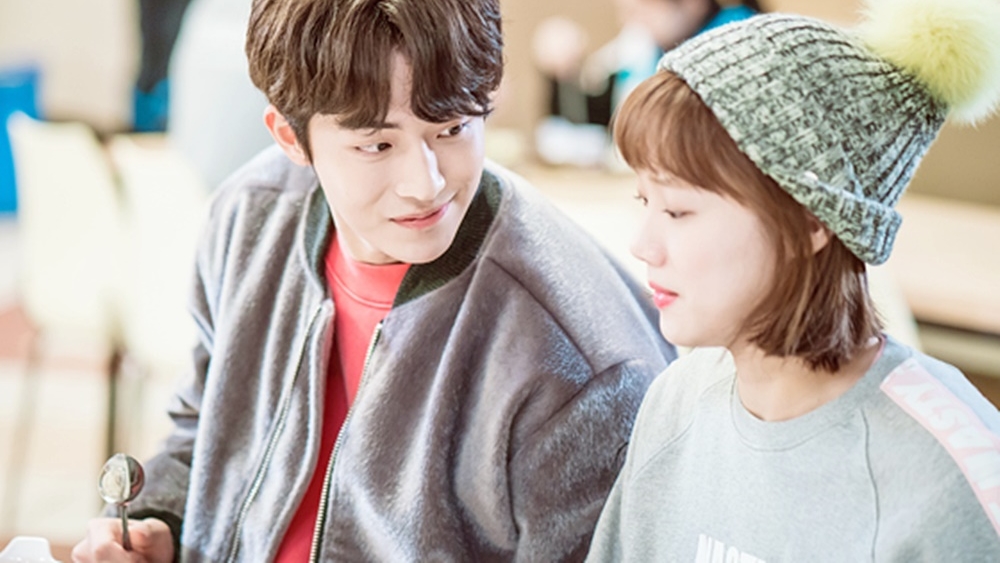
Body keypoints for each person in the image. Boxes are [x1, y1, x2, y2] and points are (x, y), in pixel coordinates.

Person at [71, 0, 675, 561]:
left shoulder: (577, 361)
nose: (425, 184)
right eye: (378, 145)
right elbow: (205, 431)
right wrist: (160, 521)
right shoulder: (250, 217)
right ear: (290, 137)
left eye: (452, 129)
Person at [587, 0, 1000, 560]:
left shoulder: (948, 484)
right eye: (645, 201)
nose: (643, 245)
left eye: (678, 211)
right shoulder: (674, 403)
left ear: (811, 222)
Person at [532, 0, 759, 167]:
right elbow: (604, 121)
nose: (632, 22)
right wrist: (562, 74)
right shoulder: (650, 49)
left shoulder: (738, 39)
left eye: (643, 9)